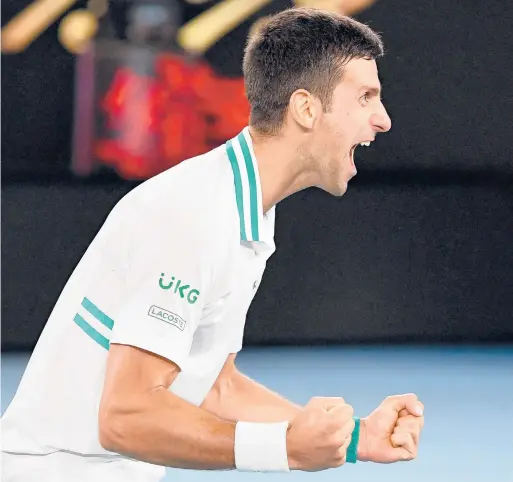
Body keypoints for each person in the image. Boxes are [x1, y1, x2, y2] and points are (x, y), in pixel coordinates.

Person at [1, 7, 424, 482]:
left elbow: (211, 387)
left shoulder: (244, 209)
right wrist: (283, 448)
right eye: (366, 97)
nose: (382, 120)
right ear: (306, 108)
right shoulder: (195, 212)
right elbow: (125, 416)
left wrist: (353, 440)